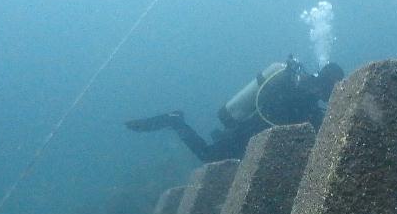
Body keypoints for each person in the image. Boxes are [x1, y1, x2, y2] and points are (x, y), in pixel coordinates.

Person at [126, 55, 344, 162]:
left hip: (253, 130)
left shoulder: (301, 85)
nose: (330, 96)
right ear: (328, 83)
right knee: (209, 156)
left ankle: (177, 122)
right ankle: (175, 121)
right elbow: (303, 119)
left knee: (217, 158)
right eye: (333, 89)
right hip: (250, 131)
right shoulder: (305, 94)